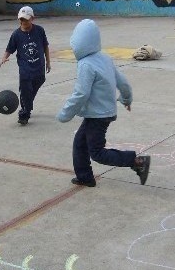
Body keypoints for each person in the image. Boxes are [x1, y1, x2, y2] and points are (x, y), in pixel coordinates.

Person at [57, 19, 150, 187]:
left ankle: (137, 161)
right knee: (80, 143)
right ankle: (85, 177)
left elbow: (81, 94)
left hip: (97, 116)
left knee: (97, 153)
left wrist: (65, 114)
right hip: (103, 113)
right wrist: (126, 99)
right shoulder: (104, 58)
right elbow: (122, 82)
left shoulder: (85, 64)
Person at [0, 6, 50, 126]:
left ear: (32, 18)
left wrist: (48, 61)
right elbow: (10, 48)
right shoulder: (16, 34)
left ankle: (27, 104)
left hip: (39, 67)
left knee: (37, 84)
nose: (23, 22)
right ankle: (24, 114)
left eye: (26, 20)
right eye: (21, 20)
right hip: (25, 69)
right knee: (26, 91)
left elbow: (45, 46)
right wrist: (4, 57)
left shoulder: (39, 30)